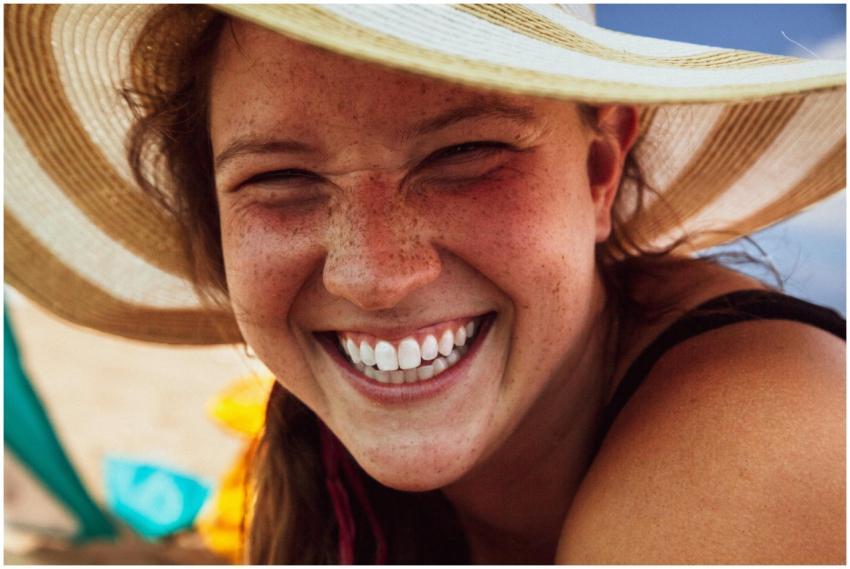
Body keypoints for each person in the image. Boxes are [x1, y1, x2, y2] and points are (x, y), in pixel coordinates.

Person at [5, 4, 845, 564]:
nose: (374, 276)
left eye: (463, 156)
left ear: (598, 168)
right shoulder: (313, 463)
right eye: (280, 180)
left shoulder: (782, 423)